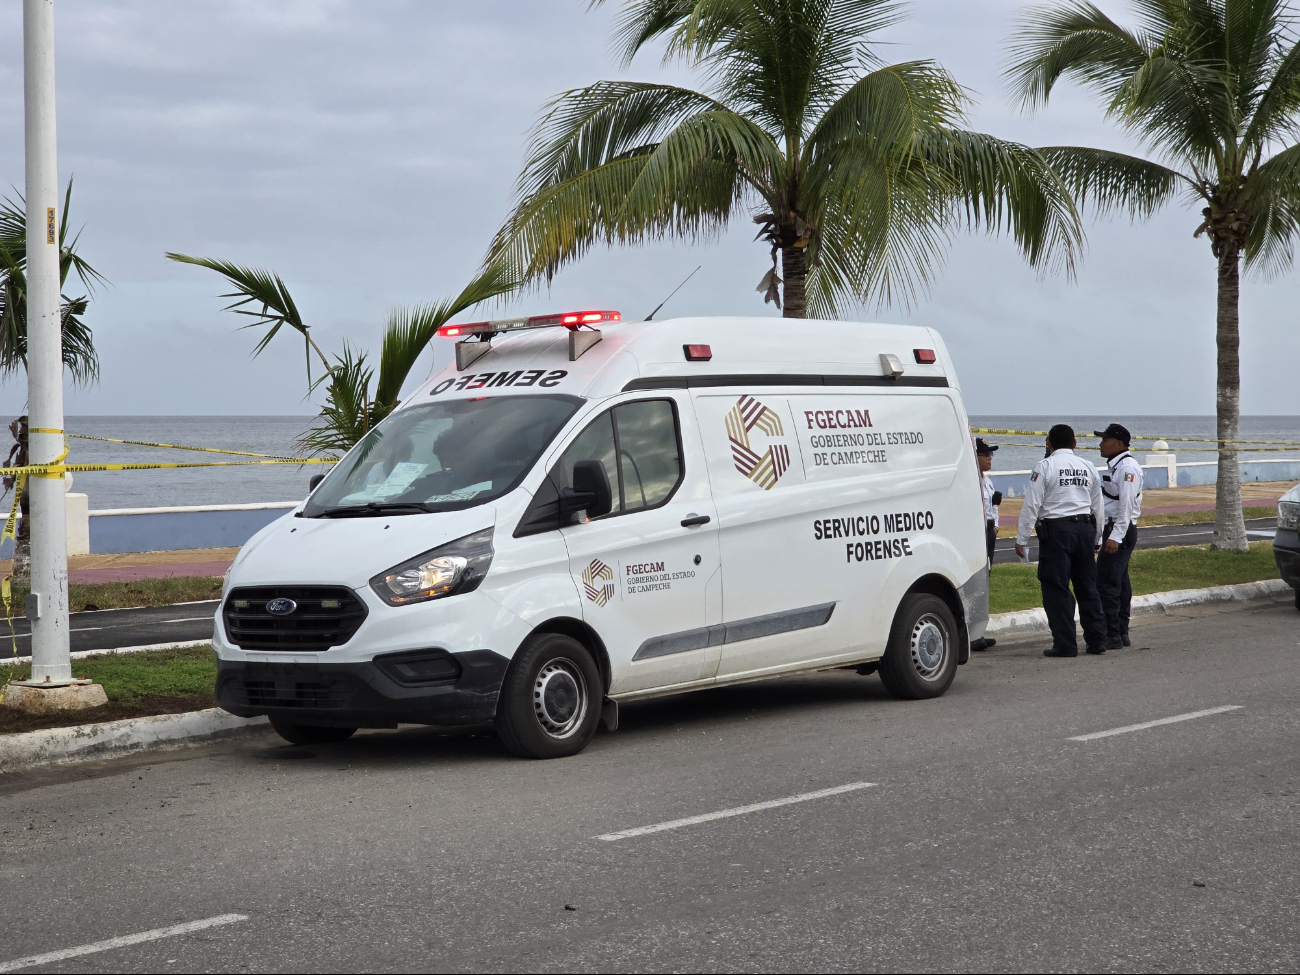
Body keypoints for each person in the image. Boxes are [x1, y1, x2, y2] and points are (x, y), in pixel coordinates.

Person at [1014, 423, 1108, 657]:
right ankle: (1097, 640)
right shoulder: (1088, 467)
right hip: (1085, 529)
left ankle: (1065, 644)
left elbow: (1032, 504)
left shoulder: (1045, 466)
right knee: (1087, 587)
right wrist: (1097, 537)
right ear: (1075, 444)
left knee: (1056, 588)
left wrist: (1022, 538)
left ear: (1048, 443)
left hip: (1056, 532)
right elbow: (1098, 507)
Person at [1094, 422, 1143, 649]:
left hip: (1119, 530)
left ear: (1119, 444)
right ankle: (1121, 632)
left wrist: (1116, 536)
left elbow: (1126, 505)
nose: (1101, 444)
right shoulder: (1117, 466)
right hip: (1116, 529)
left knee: (1106, 583)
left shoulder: (1127, 468)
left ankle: (1112, 633)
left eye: (1105, 440)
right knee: (1120, 582)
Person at [971, 437, 1002, 652]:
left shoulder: (987, 481)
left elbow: (994, 506)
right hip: (975, 534)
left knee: (984, 581)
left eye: (991, 454)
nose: (990, 458)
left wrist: (996, 527)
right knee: (975, 582)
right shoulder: (969, 481)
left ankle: (977, 632)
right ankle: (971, 635)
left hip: (987, 532)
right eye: (986, 454)